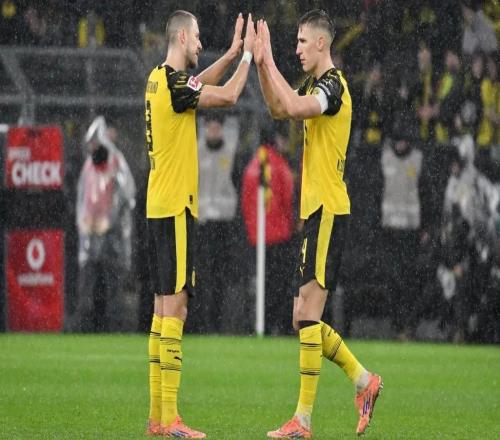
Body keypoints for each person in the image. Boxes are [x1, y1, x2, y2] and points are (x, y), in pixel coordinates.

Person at [253, 10, 383, 438]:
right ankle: (363, 380)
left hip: (328, 209)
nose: (297, 49)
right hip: (314, 212)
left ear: (322, 43)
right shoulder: (313, 84)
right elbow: (278, 108)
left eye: (302, 41)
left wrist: (270, 60)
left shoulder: (333, 86)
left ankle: (303, 420)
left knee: (308, 316)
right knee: (301, 318)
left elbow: (293, 106)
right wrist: (261, 65)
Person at [144, 9, 255, 438]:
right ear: (182, 37)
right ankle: (171, 419)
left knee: (161, 310)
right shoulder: (174, 85)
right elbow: (226, 97)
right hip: (176, 207)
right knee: (177, 309)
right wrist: (249, 57)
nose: (199, 44)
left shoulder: (158, 79)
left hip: (158, 206)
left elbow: (197, 84)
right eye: (197, 38)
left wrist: (229, 53)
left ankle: (157, 418)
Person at [73, 116, 136, 332]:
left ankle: (114, 326)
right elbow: (84, 198)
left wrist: (109, 221)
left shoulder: (116, 163)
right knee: (88, 283)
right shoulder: (89, 166)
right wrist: (85, 222)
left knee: (113, 283)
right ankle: (87, 326)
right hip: (91, 233)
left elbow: (125, 196)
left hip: (112, 236)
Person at [241, 120, 296, 335]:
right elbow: (287, 199)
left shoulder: (254, 164)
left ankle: (262, 323)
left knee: (263, 284)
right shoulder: (279, 165)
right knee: (279, 285)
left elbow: (246, 203)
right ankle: (277, 325)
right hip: (279, 235)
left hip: (258, 235)